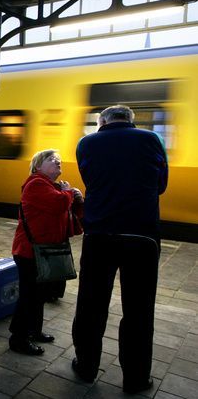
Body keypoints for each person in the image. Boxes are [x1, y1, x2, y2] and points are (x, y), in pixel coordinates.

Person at [71, 105, 168, 394]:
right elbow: (160, 185)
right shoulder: (152, 140)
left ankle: (86, 366)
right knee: (139, 310)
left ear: (102, 121)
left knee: (91, 305)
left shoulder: (87, 143)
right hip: (142, 237)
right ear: (130, 120)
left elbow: (91, 181)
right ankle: (136, 379)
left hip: (99, 235)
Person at [9, 149, 84, 355]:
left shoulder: (54, 187)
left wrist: (77, 200)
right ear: (38, 166)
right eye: (52, 160)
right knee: (29, 296)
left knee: (39, 295)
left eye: (59, 160)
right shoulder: (36, 184)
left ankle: (34, 331)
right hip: (29, 252)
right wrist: (69, 193)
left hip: (45, 251)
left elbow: (70, 218)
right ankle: (18, 339)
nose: (58, 162)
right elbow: (58, 204)